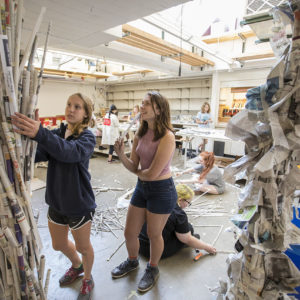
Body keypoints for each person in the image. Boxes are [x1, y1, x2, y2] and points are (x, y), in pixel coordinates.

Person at [11, 93, 96, 300]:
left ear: (85, 114)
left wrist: (41, 134)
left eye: (77, 107)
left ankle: (88, 278)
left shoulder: (87, 137)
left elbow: (69, 153)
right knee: (58, 244)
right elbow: (40, 154)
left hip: (78, 204)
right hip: (57, 202)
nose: (71, 109)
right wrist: (27, 138)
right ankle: (77, 266)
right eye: (69, 105)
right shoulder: (59, 132)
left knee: (84, 247)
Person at [111, 91, 177, 293]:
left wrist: (140, 174)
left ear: (158, 109)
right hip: (142, 186)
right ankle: (132, 261)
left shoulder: (167, 136)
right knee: (130, 232)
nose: (142, 106)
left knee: (153, 234)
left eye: (147, 103)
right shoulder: (139, 134)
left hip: (162, 190)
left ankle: (153, 268)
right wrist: (121, 154)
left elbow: (153, 173)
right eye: (142, 103)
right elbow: (134, 168)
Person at [138, 184, 216, 258]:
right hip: (152, 252)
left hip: (139, 244)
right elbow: (187, 239)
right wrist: (207, 247)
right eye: (188, 203)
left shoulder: (158, 198)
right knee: (189, 230)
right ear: (180, 200)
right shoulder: (179, 214)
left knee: (183, 227)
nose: (187, 205)